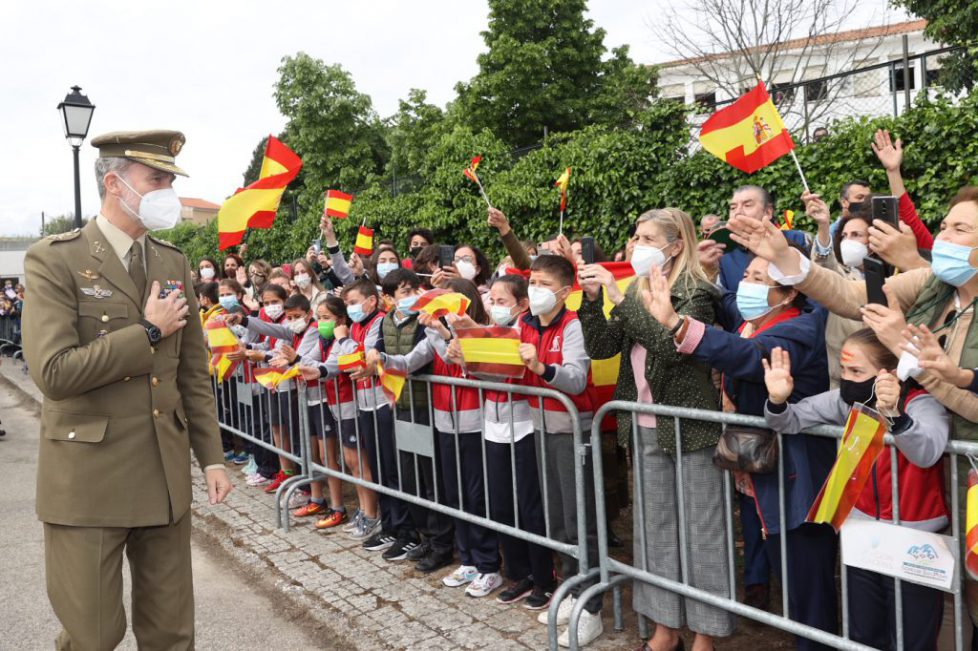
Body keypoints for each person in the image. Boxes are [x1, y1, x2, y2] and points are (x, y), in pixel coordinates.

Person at [729, 184, 978, 629]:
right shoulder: (935, 283)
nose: (942, 237)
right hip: (943, 474)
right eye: (943, 226)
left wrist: (903, 348)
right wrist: (788, 260)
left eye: (960, 229)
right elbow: (852, 296)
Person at [22, 129, 231, 650]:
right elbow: (54, 373)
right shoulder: (56, 260)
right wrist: (148, 332)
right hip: (89, 482)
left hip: (162, 478)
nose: (169, 192)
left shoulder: (171, 261)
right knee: (94, 635)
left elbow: (191, 371)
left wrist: (212, 457)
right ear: (115, 183)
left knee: (171, 633)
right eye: (156, 179)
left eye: (170, 180)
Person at [648, 245, 836, 649]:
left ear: (788, 294)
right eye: (747, 275)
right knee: (789, 576)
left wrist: (678, 324)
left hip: (800, 475)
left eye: (758, 279)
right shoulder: (753, 322)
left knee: (807, 583)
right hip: (766, 469)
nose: (745, 285)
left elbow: (747, 357)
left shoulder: (796, 329)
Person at [578, 208, 734, 651]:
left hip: (692, 427)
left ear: (676, 245)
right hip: (642, 425)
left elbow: (672, 348)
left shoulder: (696, 293)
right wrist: (593, 301)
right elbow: (603, 346)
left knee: (703, 533)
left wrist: (622, 298)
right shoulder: (636, 288)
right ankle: (665, 632)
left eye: (647, 237)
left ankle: (705, 636)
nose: (636, 243)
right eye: (635, 234)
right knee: (655, 532)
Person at [763, 330, 949, 650]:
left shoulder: (923, 404)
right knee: (864, 636)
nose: (846, 379)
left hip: (915, 541)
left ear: (889, 374)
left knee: (912, 639)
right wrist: (778, 400)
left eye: (856, 372)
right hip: (863, 535)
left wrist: (894, 415)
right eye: (843, 371)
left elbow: (927, 452)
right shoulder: (847, 400)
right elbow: (790, 421)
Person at [513, 254, 604, 647]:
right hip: (540, 428)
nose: (534, 290)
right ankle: (571, 588)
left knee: (579, 517)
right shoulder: (526, 324)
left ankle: (593, 607)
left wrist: (542, 369)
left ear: (565, 292)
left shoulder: (572, 325)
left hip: (572, 432)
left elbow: (576, 377)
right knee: (557, 519)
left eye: (543, 284)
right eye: (532, 281)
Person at [703, 185, 810, 292]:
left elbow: (813, 292)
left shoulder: (796, 239)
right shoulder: (726, 254)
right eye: (733, 208)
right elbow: (723, 297)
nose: (738, 212)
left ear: (768, 212)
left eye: (747, 205)